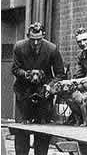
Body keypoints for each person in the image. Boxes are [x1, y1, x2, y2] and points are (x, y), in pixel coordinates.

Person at [11, 22, 65, 155]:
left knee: (42, 133)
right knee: (21, 132)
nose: (35, 43)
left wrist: (50, 86)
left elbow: (60, 74)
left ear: (44, 36)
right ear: (28, 36)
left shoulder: (52, 49)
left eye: (39, 40)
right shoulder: (19, 47)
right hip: (23, 93)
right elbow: (15, 69)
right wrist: (26, 74)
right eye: (32, 39)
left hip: (43, 95)